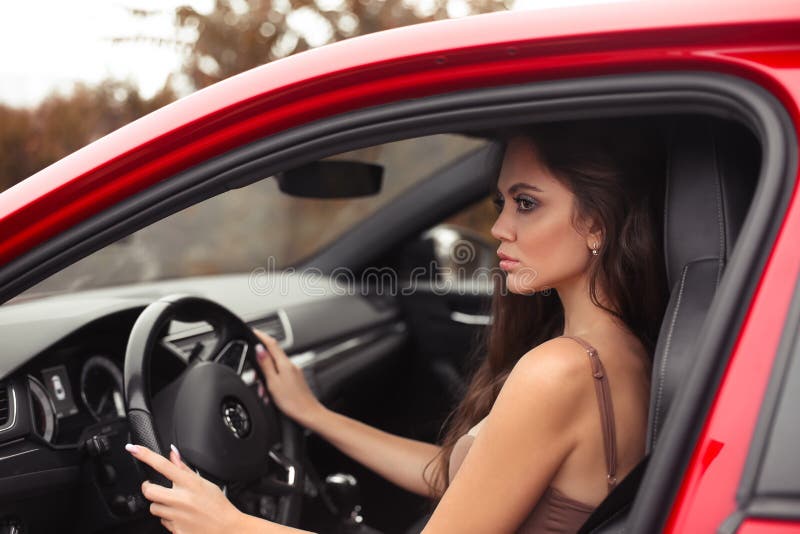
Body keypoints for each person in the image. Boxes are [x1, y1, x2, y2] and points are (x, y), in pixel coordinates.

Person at [125, 118, 669, 533]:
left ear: (597, 220)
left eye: (527, 204)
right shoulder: (628, 351)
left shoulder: (561, 371)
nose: (500, 226)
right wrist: (315, 415)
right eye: (502, 202)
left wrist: (231, 524)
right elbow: (462, 476)